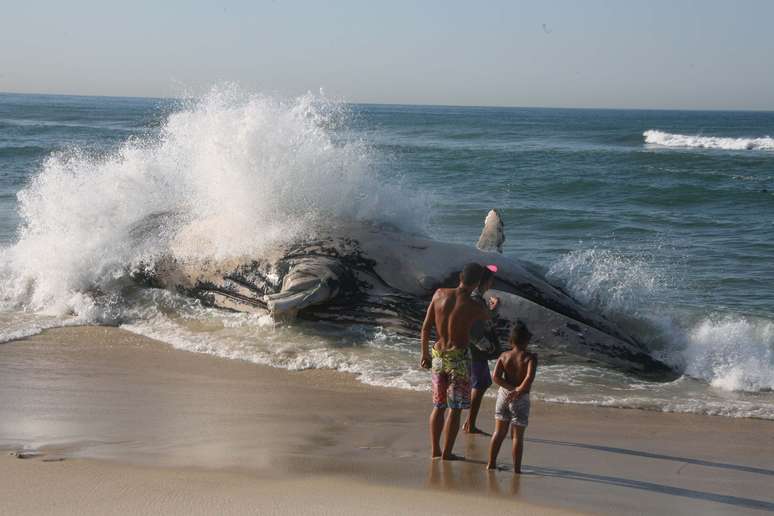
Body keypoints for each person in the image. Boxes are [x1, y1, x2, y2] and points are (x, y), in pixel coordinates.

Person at [420, 263, 498, 460]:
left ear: (460, 277)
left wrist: (424, 355)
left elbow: (425, 327)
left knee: (438, 406)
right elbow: (489, 318)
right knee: (454, 409)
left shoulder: (439, 293)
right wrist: (494, 307)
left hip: (438, 354)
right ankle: (447, 453)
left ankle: (435, 450)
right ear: (478, 283)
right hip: (459, 358)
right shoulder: (473, 306)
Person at [486, 321, 538, 473]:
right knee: (517, 437)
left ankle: (491, 463)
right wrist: (518, 390)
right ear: (527, 340)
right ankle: (517, 469)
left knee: (498, 433)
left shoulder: (504, 355)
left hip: (504, 395)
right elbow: (529, 378)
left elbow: (495, 377)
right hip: (520, 398)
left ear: (511, 340)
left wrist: (510, 389)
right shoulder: (530, 358)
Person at [463, 265, 501, 435]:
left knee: (480, 383)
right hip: (475, 351)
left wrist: (493, 309)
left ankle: (469, 423)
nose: (492, 282)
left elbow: (481, 317)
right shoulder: (476, 299)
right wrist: (488, 348)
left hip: (471, 350)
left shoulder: (475, 298)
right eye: (491, 279)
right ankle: (469, 424)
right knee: (480, 384)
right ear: (485, 281)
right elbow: (474, 329)